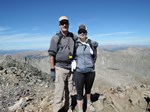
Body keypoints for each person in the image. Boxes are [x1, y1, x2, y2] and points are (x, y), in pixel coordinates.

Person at [48, 16, 77, 112]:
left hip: (70, 68)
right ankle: (56, 110)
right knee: (59, 92)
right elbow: (52, 55)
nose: (64, 25)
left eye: (66, 23)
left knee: (69, 90)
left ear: (68, 24)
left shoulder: (73, 36)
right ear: (59, 25)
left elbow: (81, 39)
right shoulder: (56, 38)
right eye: (62, 23)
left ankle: (68, 108)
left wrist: (89, 42)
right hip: (60, 68)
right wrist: (52, 70)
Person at [72, 24, 98, 112]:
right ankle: (80, 109)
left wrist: (91, 64)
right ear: (78, 33)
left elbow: (95, 56)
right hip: (79, 72)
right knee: (79, 92)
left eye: (84, 32)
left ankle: (88, 104)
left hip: (90, 71)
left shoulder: (90, 43)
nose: (82, 33)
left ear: (86, 33)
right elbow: (71, 56)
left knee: (88, 90)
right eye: (80, 32)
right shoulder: (75, 44)